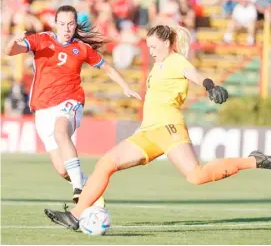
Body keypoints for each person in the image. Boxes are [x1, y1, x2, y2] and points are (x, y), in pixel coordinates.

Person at [44, 25, 271, 230]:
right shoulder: (158, 65)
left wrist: (210, 86)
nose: (150, 50)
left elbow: (196, 75)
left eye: (153, 46)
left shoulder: (176, 61)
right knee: (106, 163)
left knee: (196, 176)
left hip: (169, 127)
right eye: (148, 46)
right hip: (147, 132)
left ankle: (253, 160)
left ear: (166, 43)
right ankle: (75, 215)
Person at [5, 5, 141, 205]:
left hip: (70, 100)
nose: (66, 28)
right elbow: (10, 51)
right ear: (55, 24)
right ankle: (88, 184)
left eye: (70, 24)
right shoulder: (41, 40)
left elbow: (108, 68)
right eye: (62, 24)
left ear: (75, 24)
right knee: (62, 169)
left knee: (61, 132)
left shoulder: (82, 48)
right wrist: (12, 41)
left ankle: (78, 190)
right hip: (42, 109)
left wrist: (125, 86)